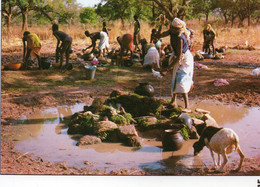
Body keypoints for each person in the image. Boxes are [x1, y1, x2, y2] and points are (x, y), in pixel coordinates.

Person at [157, 17, 194, 112]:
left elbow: (179, 56)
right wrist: (161, 24)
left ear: (179, 29)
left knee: (181, 80)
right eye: (172, 28)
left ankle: (187, 107)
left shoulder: (180, 38)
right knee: (174, 78)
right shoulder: (171, 32)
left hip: (184, 59)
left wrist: (167, 68)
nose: (173, 30)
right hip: (178, 57)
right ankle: (173, 102)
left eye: (175, 29)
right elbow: (159, 35)